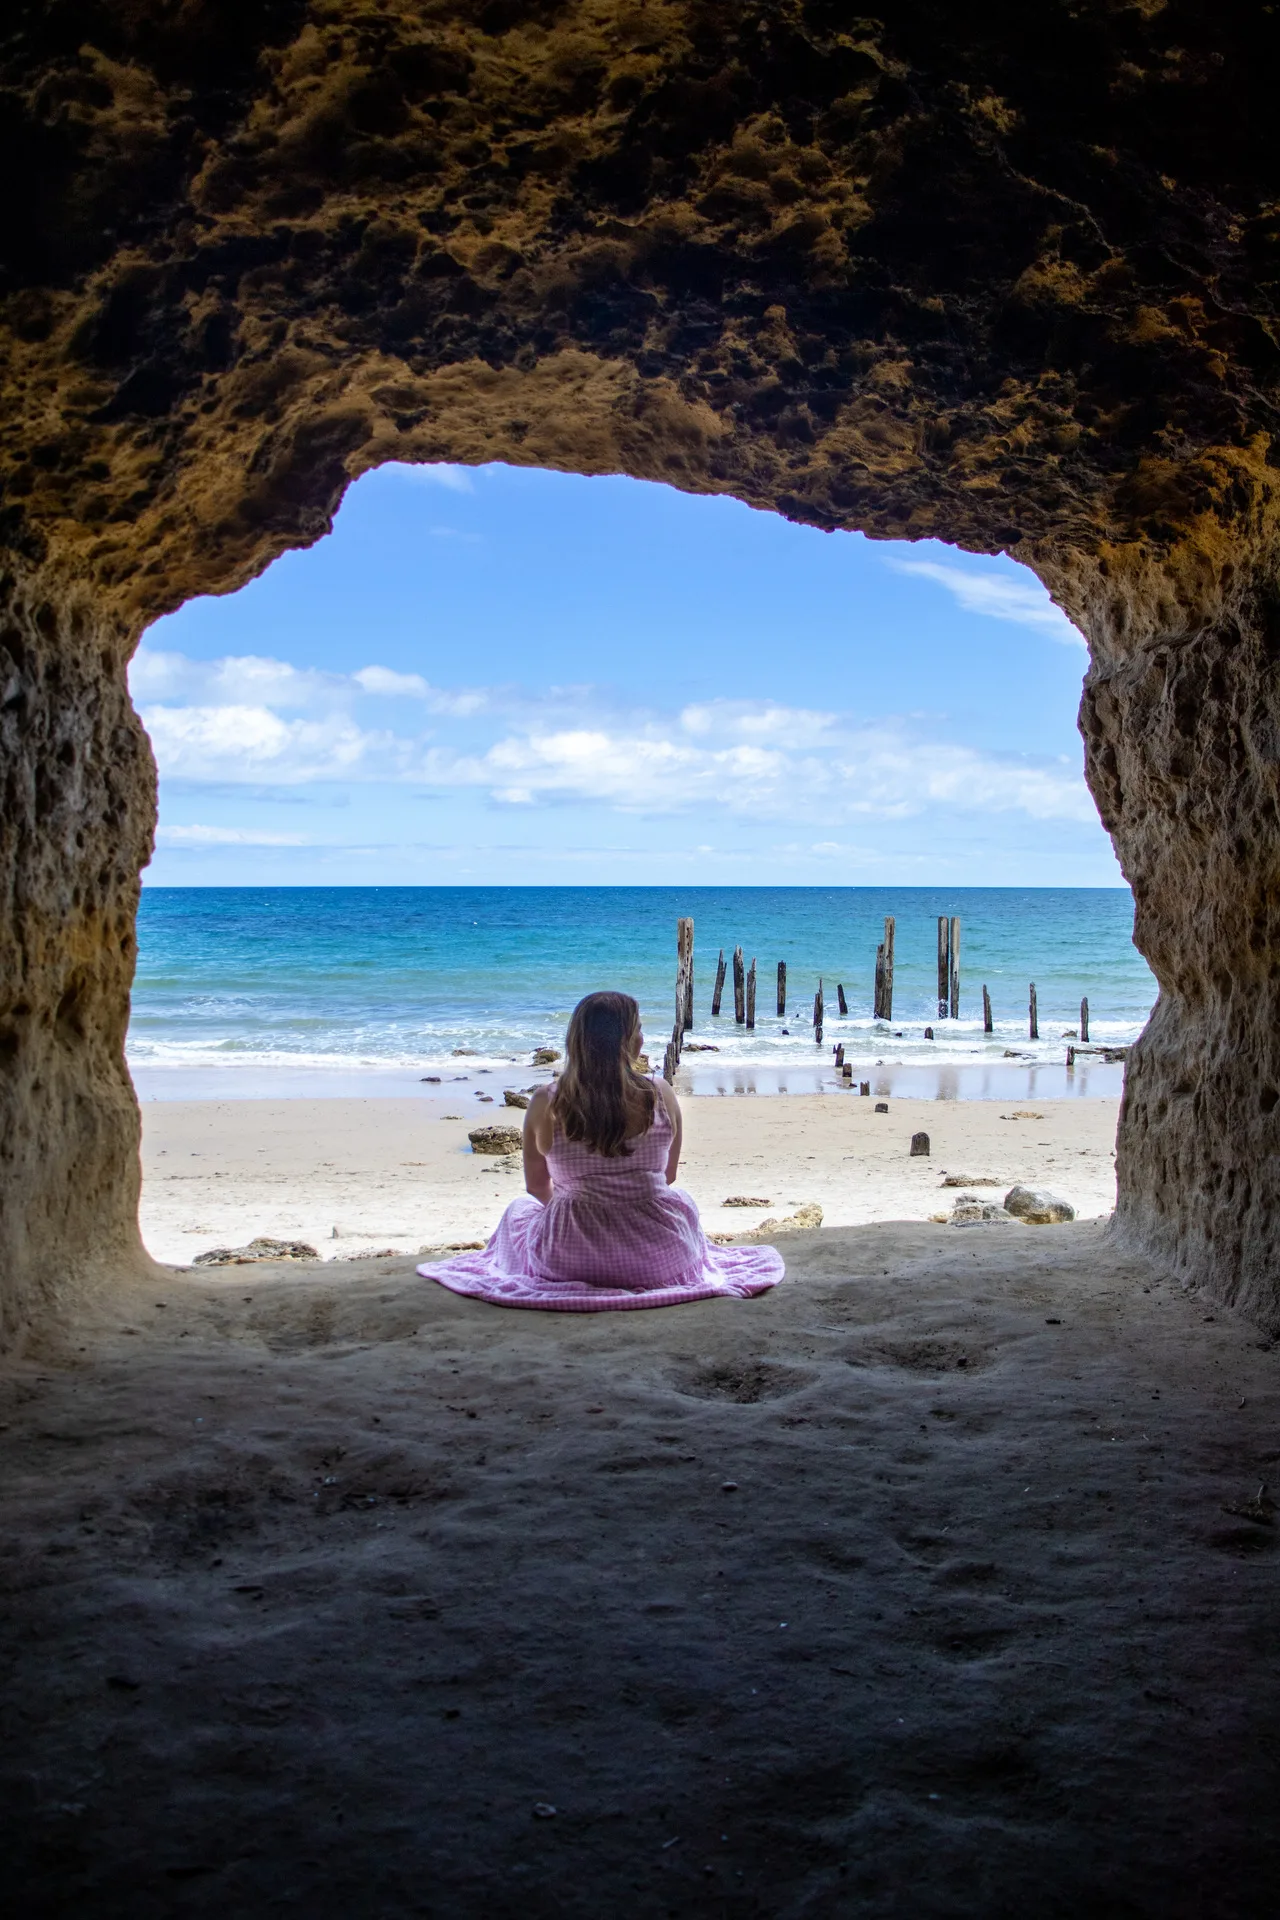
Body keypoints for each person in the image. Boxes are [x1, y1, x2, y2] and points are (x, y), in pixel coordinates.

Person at [417, 990, 784, 1311]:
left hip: (567, 1259)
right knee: (681, 1199)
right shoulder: (660, 1094)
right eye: (638, 1029)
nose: (643, 1037)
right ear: (627, 1041)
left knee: (519, 1212)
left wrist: (583, 1209)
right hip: (662, 1257)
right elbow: (668, 1177)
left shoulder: (547, 1101)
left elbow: (535, 1188)